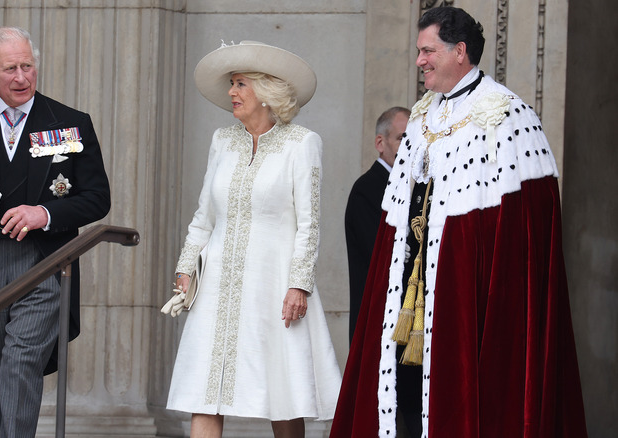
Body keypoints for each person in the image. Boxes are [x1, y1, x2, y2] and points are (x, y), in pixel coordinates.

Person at [331, 7, 587, 438]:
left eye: (428, 50)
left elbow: (526, 231)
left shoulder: (507, 113)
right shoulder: (422, 114)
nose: (420, 61)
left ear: (460, 52)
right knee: (401, 401)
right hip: (410, 298)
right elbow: (397, 218)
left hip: (467, 296)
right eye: (418, 51)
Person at [0, 27, 110, 437]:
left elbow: (97, 199)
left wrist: (43, 213)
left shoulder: (69, 122)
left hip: (45, 264)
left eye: (27, 66)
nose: (21, 77)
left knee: (20, 363)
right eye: (10, 68)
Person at [165, 41, 342, 438]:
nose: (232, 92)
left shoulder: (302, 143)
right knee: (204, 390)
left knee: (282, 389)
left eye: (240, 83)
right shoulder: (222, 140)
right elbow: (204, 215)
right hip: (217, 283)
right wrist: (185, 267)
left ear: (266, 90)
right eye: (232, 83)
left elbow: (309, 223)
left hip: (274, 280)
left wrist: (299, 283)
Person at [345, 106, 409, 343]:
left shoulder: (411, 187)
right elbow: (381, 256)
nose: (411, 146)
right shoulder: (367, 189)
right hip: (378, 321)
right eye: (403, 138)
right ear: (380, 143)